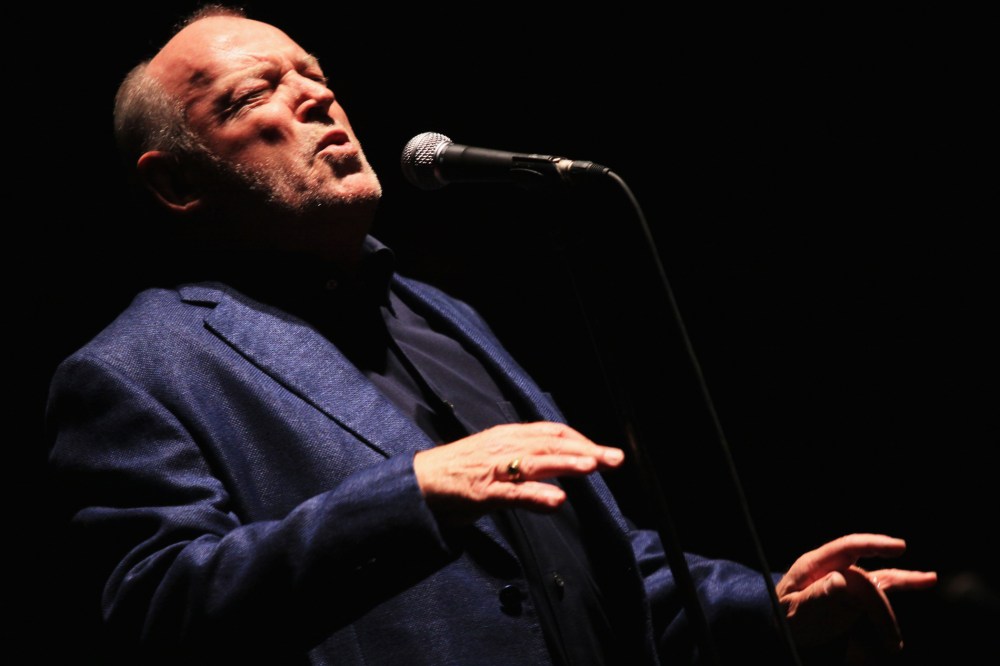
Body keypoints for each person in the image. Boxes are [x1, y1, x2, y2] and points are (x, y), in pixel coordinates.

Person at [45, 6, 937, 665]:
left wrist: (770, 608)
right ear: (174, 186)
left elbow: (601, 569)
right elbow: (156, 609)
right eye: (257, 92)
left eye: (315, 73)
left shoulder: (442, 317)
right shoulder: (135, 368)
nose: (316, 97)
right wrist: (415, 496)